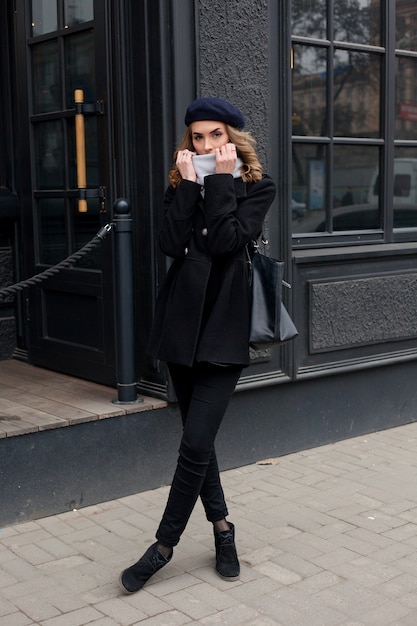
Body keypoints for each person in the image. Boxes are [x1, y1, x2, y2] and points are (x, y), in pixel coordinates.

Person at [119, 96, 276, 594]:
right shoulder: (179, 183)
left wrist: (220, 182)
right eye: (198, 136)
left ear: (233, 138)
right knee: (199, 443)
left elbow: (228, 242)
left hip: (225, 330)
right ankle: (223, 530)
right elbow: (170, 243)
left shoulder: (257, 186)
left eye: (216, 135)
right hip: (181, 328)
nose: (206, 144)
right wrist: (190, 185)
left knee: (193, 444)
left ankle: (162, 548)